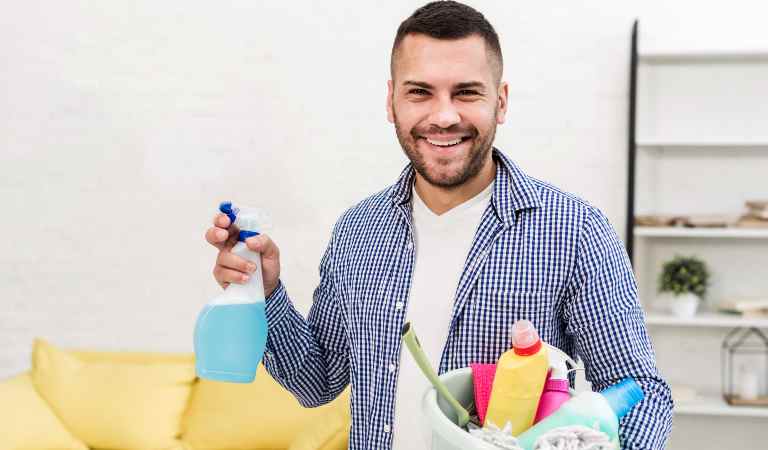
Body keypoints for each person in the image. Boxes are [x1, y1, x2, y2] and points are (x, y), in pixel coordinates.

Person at [204, 2, 673, 449]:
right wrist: (264, 293)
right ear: (392, 101)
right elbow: (317, 382)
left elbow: (642, 394)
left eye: (466, 92)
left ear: (501, 101)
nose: (444, 116)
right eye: (420, 92)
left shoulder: (576, 230)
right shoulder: (358, 231)